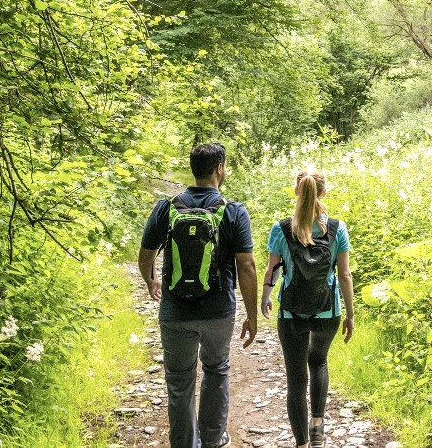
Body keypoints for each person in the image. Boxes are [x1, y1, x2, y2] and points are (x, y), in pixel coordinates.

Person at [138, 142, 258, 448]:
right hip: (218, 311)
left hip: (175, 312)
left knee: (179, 380)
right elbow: (246, 266)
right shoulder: (233, 211)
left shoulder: (167, 208)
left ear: (194, 169)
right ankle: (214, 440)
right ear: (219, 168)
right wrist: (252, 315)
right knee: (216, 370)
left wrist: (152, 282)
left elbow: (145, 255)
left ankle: (184, 444)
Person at [261, 169, 354, 448]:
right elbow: (345, 275)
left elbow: (272, 270)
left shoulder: (281, 228)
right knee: (319, 362)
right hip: (328, 311)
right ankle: (317, 427)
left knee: (296, 378)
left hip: (291, 313)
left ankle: (302, 443)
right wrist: (350, 314)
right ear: (323, 193)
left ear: (296, 192)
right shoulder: (337, 228)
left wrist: (265, 296)